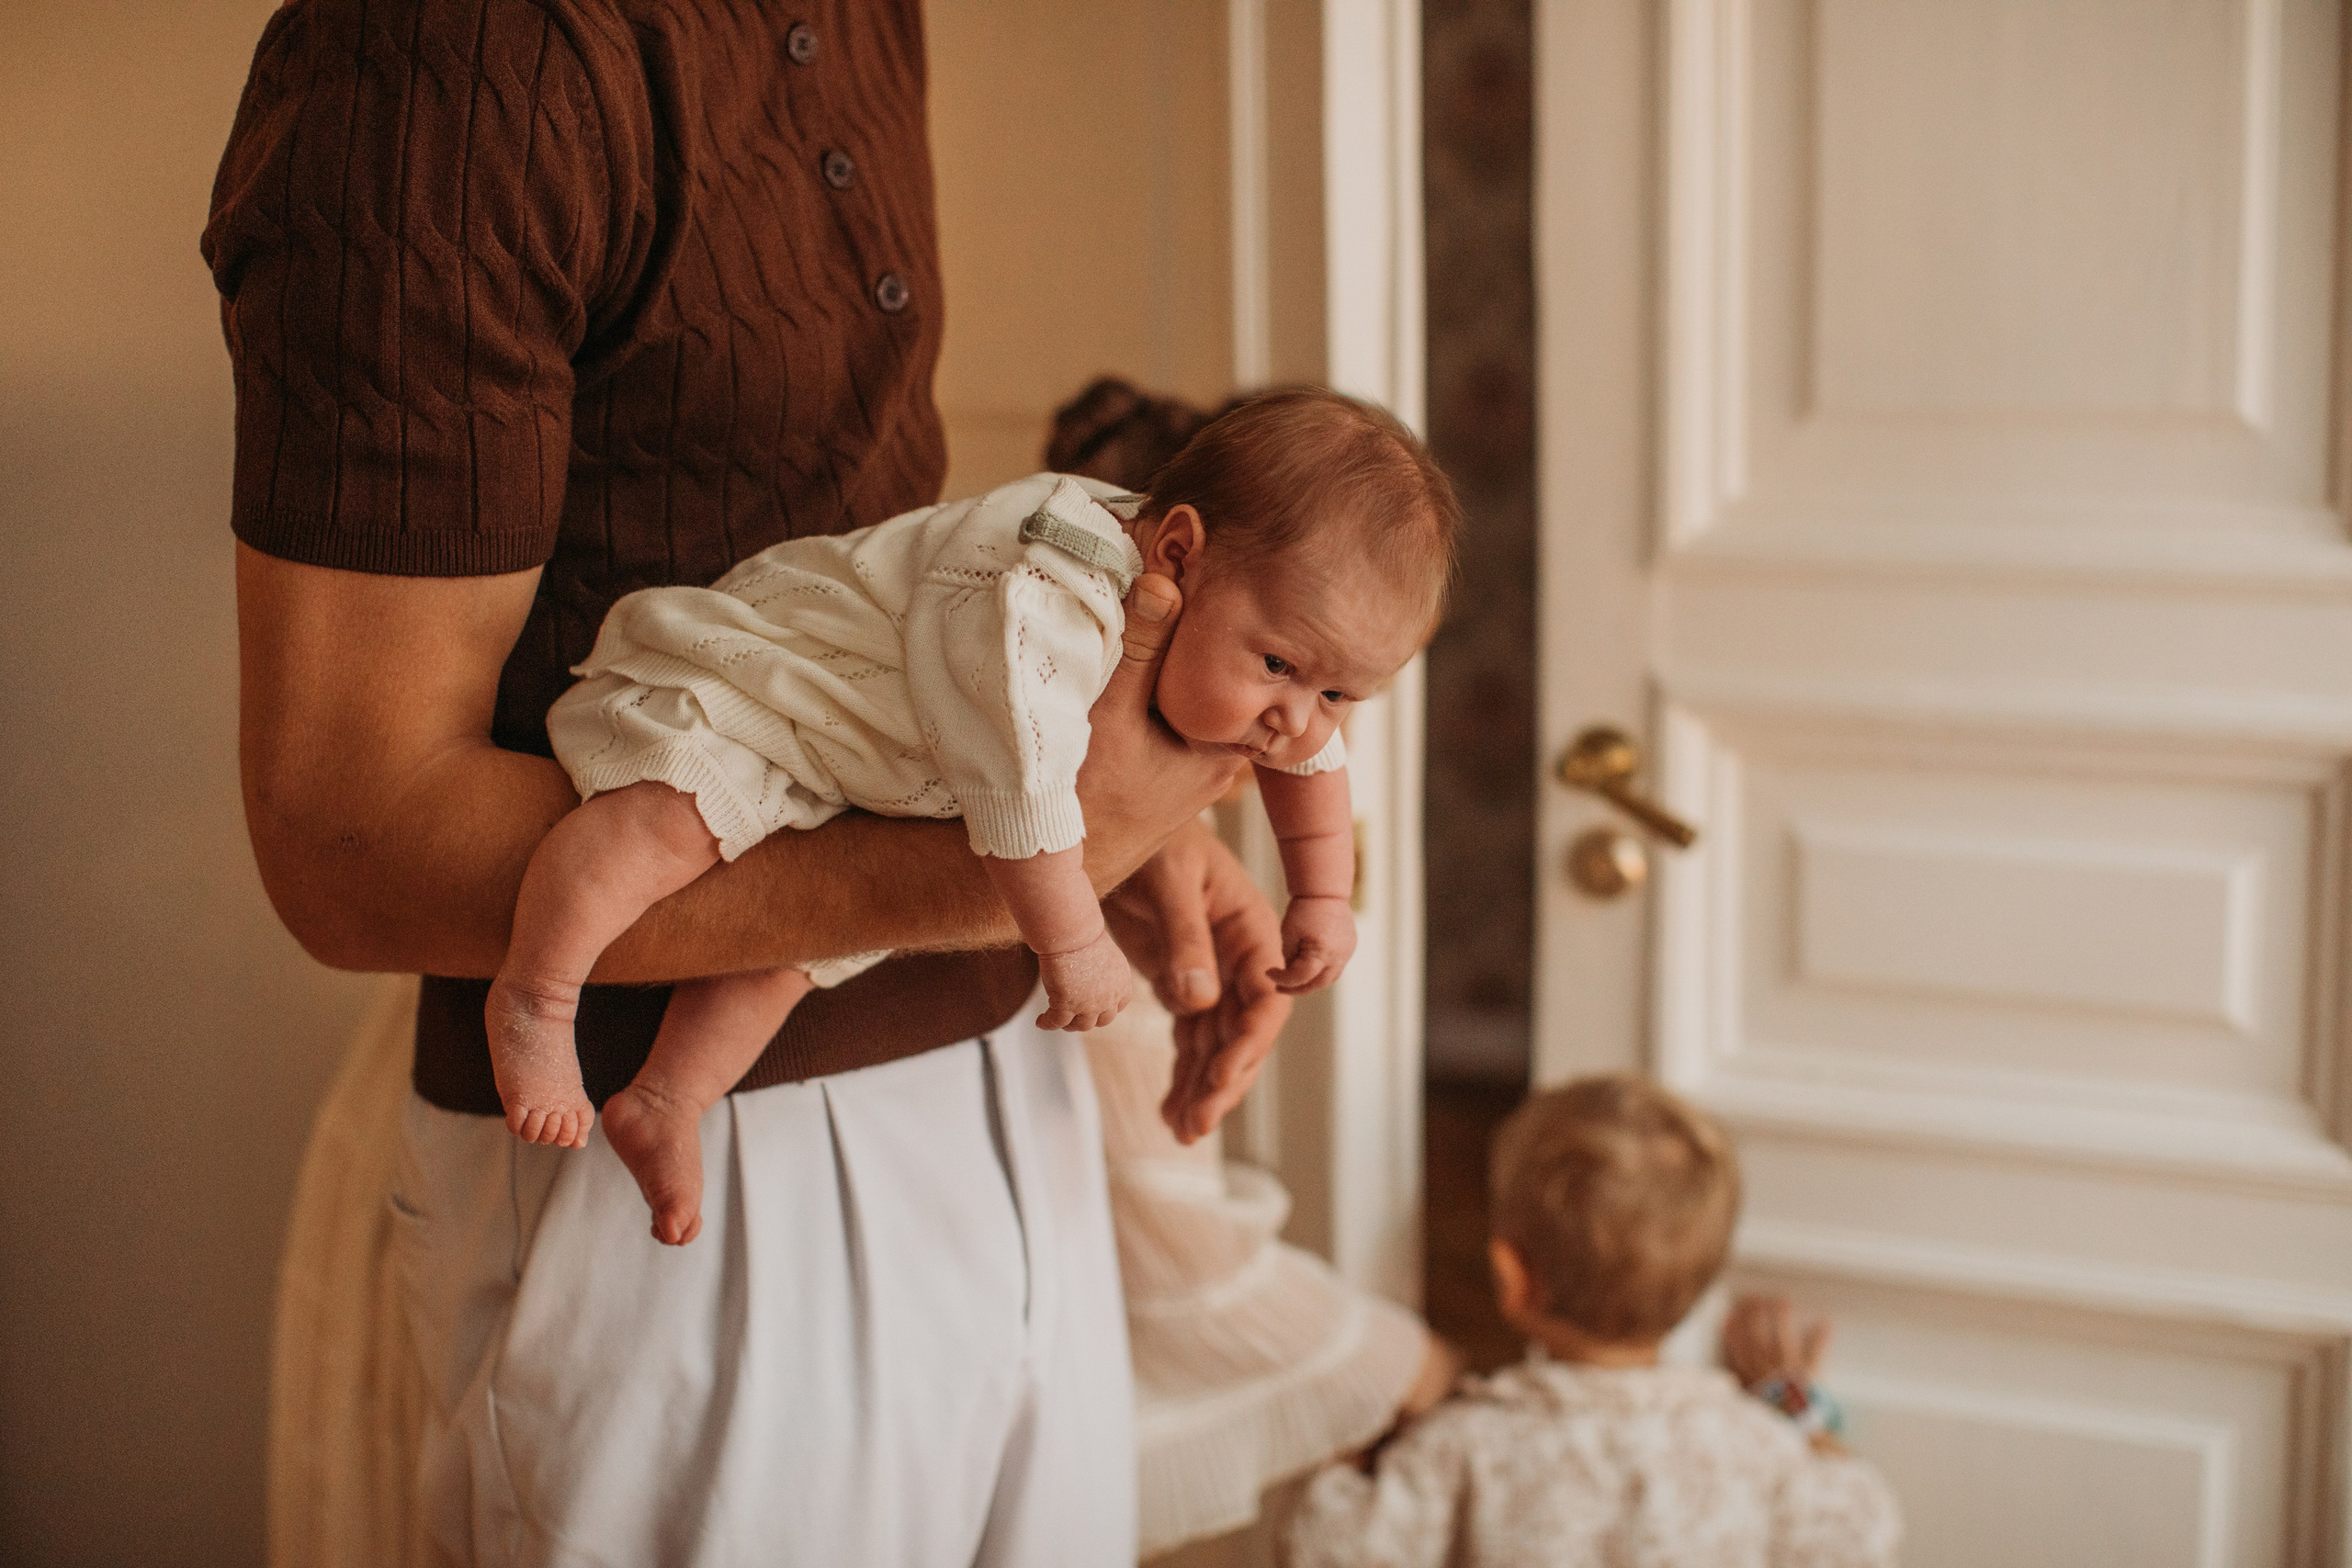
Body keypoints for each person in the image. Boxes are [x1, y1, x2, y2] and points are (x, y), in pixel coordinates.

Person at [205, 4, 1289, 1561]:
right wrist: (1027, 854)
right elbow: (348, 836)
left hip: (1001, 1079)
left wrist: (1094, 801)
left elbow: (872, 572)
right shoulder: (446, 58)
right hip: (687, 1189)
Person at [491, 390, 1450, 1246]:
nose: (1298, 721)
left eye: (1342, 694)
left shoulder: (1273, 653)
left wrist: (1321, 894)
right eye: (1281, 669)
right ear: (1177, 553)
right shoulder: (1047, 590)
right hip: (769, 687)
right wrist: (1071, 940)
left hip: (871, 764)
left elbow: (1311, 760)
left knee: (793, 957)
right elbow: (1028, 793)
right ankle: (538, 993)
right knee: (665, 822)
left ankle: (666, 1099)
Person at [1284, 1075, 1902, 1568]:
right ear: (1703, 1284)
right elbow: (1865, 1532)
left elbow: (1322, 1545)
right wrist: (1793, 1402)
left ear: (1511, 1277)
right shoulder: (1755, 1449)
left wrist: (1372, 1408)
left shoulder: (1460, 1448)